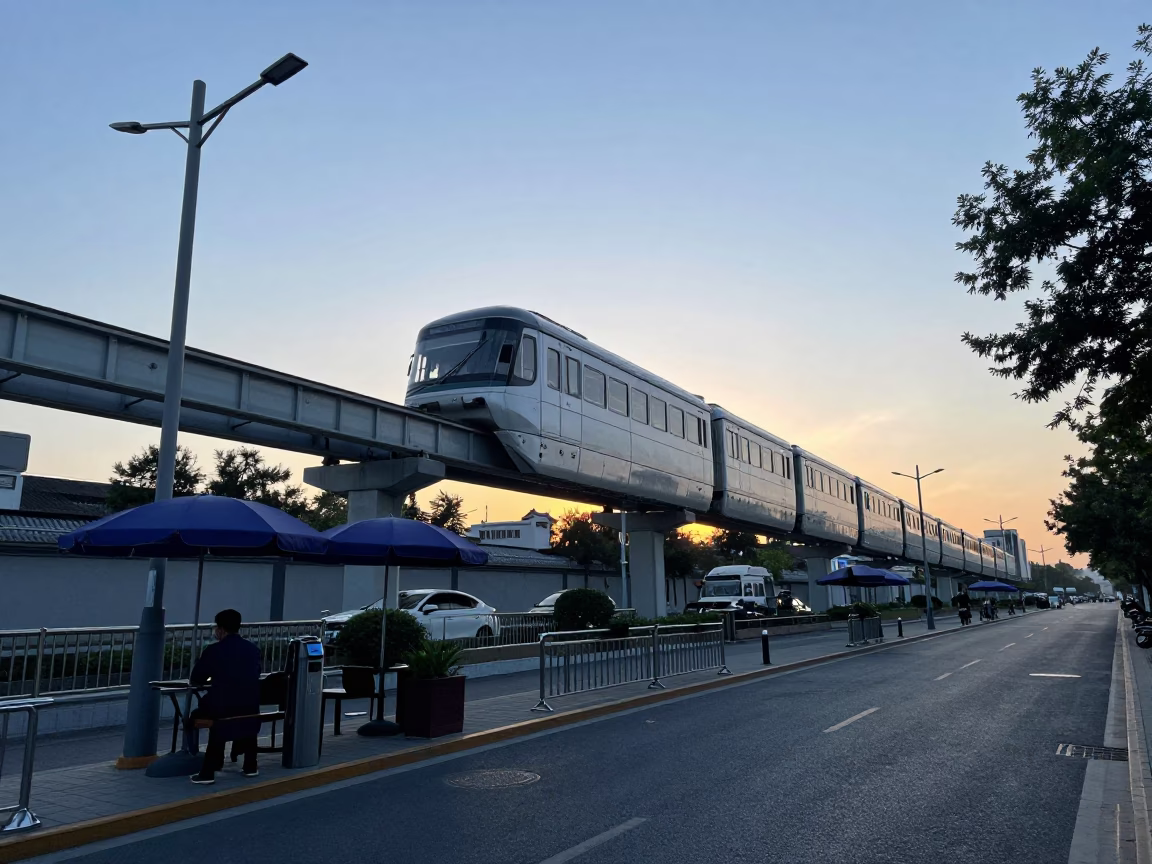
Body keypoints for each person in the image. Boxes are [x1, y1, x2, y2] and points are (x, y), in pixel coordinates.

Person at [189, 609, 262, 784]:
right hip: (251, 706)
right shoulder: (253, 650)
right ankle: (250, 766)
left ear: (220, 629)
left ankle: (207, 769)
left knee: (196, 715)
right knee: (237, 716)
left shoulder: (214, 650)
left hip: (221, 708)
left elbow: (197, 678)